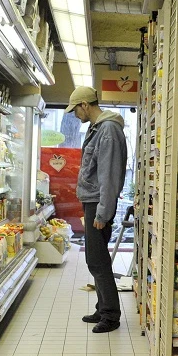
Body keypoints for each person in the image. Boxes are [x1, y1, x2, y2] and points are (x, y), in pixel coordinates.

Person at [66, 86, 128, 333]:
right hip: (92, 201)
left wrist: (102, 212)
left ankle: (111, 316)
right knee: (94, 257)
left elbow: (109, 175)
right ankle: (103, 307)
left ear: (84, 105)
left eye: (75, 110)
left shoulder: (108, 131)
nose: (74, 115)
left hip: (98, 203)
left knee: (98, 260)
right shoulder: (98, 129)